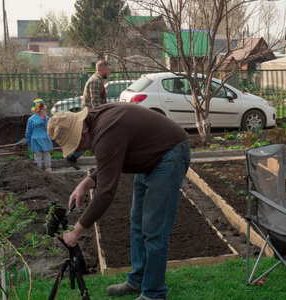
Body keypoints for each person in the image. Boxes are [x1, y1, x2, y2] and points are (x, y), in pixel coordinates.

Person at [47, 102, 190, 300]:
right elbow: (111, 160)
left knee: (154, 229)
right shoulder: (95, 122)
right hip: (150, 156)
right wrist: (84, 184)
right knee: (137, 222)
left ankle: (154, 293)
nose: (79, 150)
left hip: (169, 155)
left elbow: (105, 193)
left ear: (82, 134)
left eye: (76, 146)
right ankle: (138, 280)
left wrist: (76, 232)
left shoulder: (105, 132)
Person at [65, 60, 112, 170]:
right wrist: (102, 116)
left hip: (91, 115)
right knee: (96, 139)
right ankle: (103, 163)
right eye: (108, 70)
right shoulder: (95, 81)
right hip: (92, 116)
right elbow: (95, 102)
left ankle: (73, 157)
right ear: (102, 69)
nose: (109, 72)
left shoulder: (97, 80)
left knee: (92, 139)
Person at [25, 99, 54, 173]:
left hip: (35, 139)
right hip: (45, 137)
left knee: (37, 155)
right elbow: (49, 128)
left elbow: (28, 131)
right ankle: (48, 168)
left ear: (34, 109)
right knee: (46, 153)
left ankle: (38, 170)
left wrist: (28, 141)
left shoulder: (31, 119)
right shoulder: (47, 118)